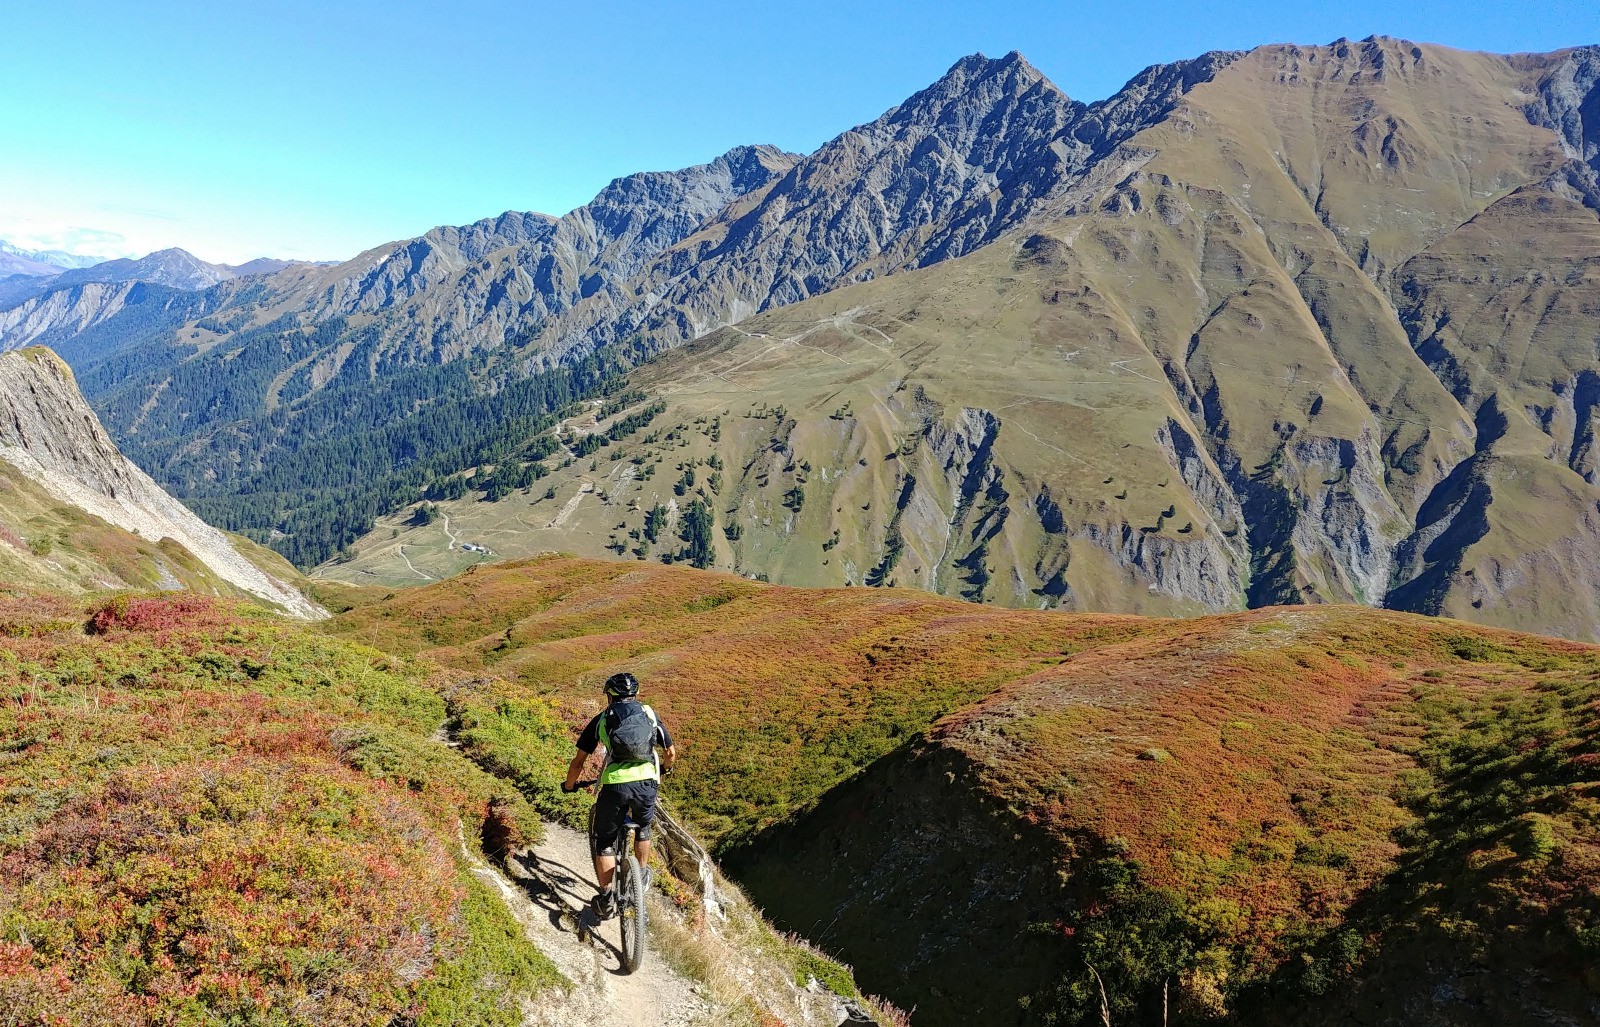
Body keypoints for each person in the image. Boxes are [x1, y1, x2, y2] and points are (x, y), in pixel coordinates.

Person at [561, 671, 676, 919]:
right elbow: (671, 752)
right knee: (643, 828)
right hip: (647, 783)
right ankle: (641, 874)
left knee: (604, 842)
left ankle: (607, 896)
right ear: (635, 694)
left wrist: (570, 786)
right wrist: (665, 769)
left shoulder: (602, 719)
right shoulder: (648, 713)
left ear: (609, 696)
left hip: (615, 786)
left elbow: (578, 762)